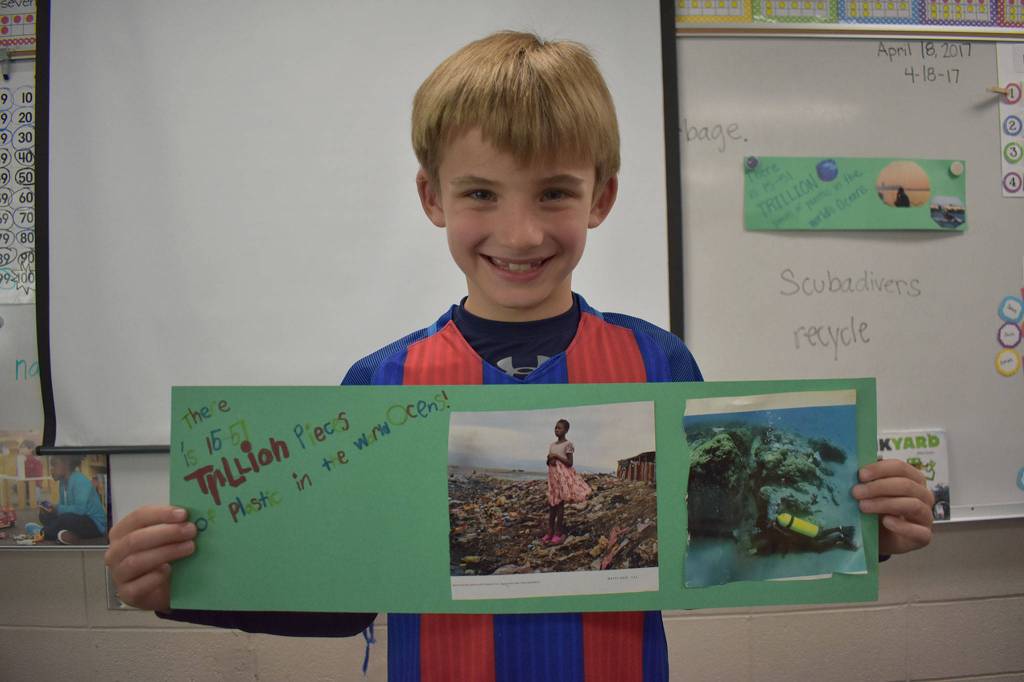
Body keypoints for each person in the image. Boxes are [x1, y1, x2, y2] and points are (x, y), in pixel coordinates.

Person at [104, 31, 935, 680]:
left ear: (600, 197)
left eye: (553, 193)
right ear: (432, 197)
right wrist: (186, 588)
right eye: (479, 194)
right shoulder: (382, 383)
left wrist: (865, 529)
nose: (520, 233)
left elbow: (724, 540)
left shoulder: (659, 364)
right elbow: (349, 595)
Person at [36, 454, 107, 545]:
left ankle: (42, 532)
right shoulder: (62, 482)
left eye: (54, 465)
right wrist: (52, 510)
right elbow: (64, 507)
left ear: (66, 464)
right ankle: (63, 534)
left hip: (94, 524)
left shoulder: (80, 481)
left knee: (65, 520)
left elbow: (80, 510)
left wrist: (57, 508)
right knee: (45, 515)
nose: (51, 469)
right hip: (76, 518)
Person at [544, 418, 591, 545]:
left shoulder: (568, 445)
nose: (556, 430)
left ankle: (558, 532)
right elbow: (548, 461)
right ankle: (550, 532)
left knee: (559, 505)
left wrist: (557, 457)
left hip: (562, 478)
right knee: (551, 504)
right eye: (555, 427)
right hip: (553, 478)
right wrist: (550, 460)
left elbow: (570, 463)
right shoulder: (552, 445)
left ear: (566, 430)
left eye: (559, 428)